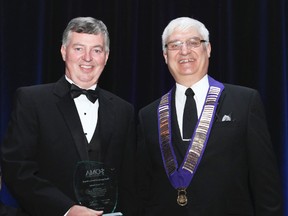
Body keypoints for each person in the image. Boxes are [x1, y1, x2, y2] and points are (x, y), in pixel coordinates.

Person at [136, 17, 283, 215]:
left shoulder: (245, 102)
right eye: (174, 45)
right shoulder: (148, 115)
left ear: (209, 49)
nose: (184, 51)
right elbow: (143, 188)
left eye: (194, 42)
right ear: (165, 55)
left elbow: (266, 184)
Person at [0, 17, 137, 216]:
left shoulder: (124, 110)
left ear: (106, 56)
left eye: (96, 50)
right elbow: (17, 169)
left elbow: (130, 181)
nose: (87, 58)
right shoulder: (31, 100)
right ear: (64, 52)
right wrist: (66, 209)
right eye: (79, 48)